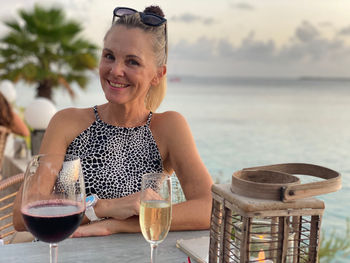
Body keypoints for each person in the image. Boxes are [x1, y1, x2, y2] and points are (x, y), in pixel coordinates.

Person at [13, 5, 213, 237]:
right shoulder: (67, 122)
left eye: (132, 62)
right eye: (109, 56)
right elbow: (21, 216)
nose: (116, 70)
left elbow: (209, 208)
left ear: (158, 74)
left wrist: (117, 225)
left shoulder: (167, 127)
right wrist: (104, 208)